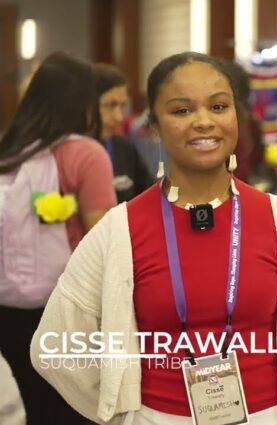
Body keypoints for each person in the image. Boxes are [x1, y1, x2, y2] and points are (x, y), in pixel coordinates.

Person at [30, 52, 277, 424]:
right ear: (154, 125)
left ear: (236, 116)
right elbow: (54, 346)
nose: (204, 121)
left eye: (219, 106)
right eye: (182, 110)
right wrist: (122, 413)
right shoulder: (121, 230)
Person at [0, 52, 116, 425]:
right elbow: (105, 239)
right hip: (64, 305)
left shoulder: (9, 149)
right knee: (76, 407)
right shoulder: (86, 153)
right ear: (84, 101)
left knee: (33, 404)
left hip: (7, 306)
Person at [94, 63, 154, 203]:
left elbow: (151, 198)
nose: (119, 117)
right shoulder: (69, 155)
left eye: (122, 106)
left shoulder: (123, 147)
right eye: (110, 105)